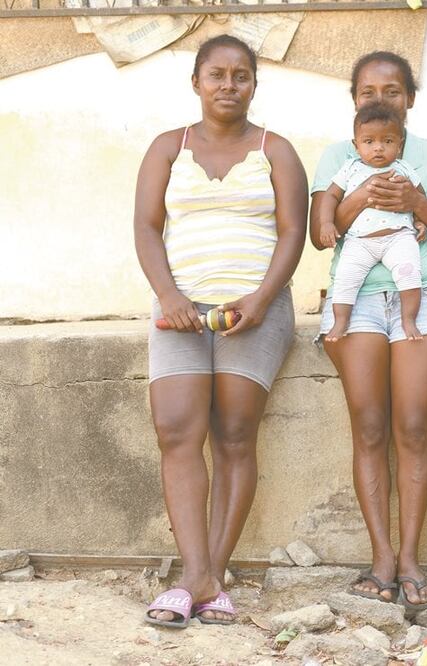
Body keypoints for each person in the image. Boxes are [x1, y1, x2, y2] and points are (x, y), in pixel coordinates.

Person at [134, 35, 307, 628]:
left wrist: (261, 299)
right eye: (217, 75)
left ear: (254, 84)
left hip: (254, 310)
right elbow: (147, 228)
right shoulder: (167, 148)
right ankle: (199, 577)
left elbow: (292, 233)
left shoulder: (276, 150)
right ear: (197, 83)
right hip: (179, 309)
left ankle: (208, 576)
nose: (228, 85)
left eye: (241, 76)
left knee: (234, 433)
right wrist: (170, 295)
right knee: (177, 431)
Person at [309, 51, 427, 612]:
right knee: (370, 425)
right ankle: (381, 557)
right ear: (354, 101)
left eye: (394, 90)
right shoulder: (340, 153)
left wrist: (417, 200)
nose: (381, 99)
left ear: (411, 98)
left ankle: (409, 558)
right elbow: (318, 234)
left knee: (413, 424)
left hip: (420, 299)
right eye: (368, 91)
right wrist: (354, 201)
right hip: (356, 304)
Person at [319, 102, 425, 342]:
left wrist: (420, 221)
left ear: (400, 145)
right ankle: (341, 321)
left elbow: (420, 196)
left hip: (398, 236)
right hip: (359, 242)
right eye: (369, 142)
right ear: (356, 145)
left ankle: (408, 320)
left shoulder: (403, 168)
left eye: (387, 141)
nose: (378, 148)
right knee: (346, 278)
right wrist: (326, 223)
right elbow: (330, 196)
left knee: (410, 273)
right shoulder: (349, 169)